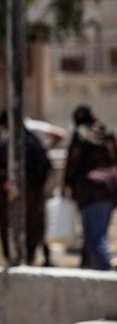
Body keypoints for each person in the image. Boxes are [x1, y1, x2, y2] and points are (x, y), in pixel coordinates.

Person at [0, 110, 52, 265]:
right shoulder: (34, 142)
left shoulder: (7, 143)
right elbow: (46, 167)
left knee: (12, 226)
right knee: (33, 226)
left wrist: (6, 183)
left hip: (15, 194)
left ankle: (16, 258)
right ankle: (28, 258)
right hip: (31, 195)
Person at [63, 105, 117, 270]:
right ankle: (90, 267)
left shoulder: (80, 136)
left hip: (90, 190)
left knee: (95, 236)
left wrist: (66, 185)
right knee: (94, 233)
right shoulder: (105, 134)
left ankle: (108, 269)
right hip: (111, 187)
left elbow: (72, 164)